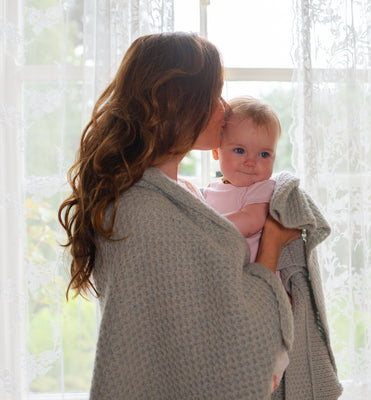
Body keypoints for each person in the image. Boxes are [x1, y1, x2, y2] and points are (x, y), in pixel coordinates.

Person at [58, 32, 300, 400]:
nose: (226, 109)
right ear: (182, 102)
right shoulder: (143, 212)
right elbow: (238, 329)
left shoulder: (180, 194)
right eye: (216, 94)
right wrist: (273, 242)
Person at [203, 97, 281, 264]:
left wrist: (202, 227)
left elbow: (252, 220)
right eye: (240, 150)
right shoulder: (211, 189)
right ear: (217, 152)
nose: (251, 162)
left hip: (252, 274)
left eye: (264, 154)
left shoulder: (263, 187)